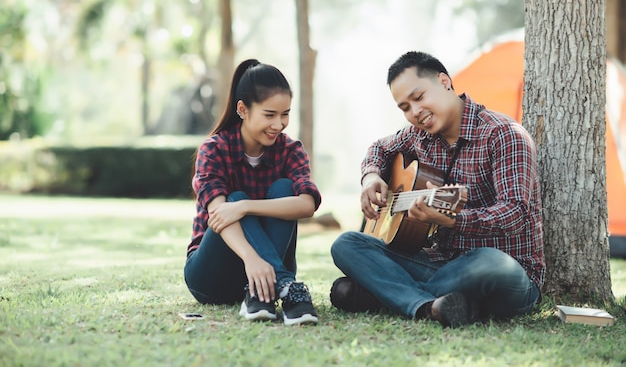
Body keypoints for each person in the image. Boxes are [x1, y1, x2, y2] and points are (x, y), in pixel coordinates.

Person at [329, 51, 545, 327]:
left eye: (418, 98)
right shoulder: (420, 135)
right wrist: (371, 177)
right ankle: (429, 306)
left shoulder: (504, 135)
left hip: (507, 272)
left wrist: (451, 220)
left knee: (489, 262)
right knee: (347, 244)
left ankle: (388, 294)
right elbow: (380, 148)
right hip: (439, 263)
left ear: (444, 82)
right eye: (405, 107)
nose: (415, 112)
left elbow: (515, 214)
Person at [184, 59, 322, 326]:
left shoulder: (290, 150)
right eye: (269, 115)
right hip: (211, 275)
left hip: (265, 277)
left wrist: (247, 207)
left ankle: (261, 292)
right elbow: (220, 214)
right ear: (242, 110)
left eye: (285, 114)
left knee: (282, 189)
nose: (279, 124)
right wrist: (250, 257)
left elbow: (306, 205)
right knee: (233, 199)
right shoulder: (214, 149)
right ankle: (285, 283)